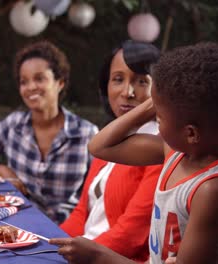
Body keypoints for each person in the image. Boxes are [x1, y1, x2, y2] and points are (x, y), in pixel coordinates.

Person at [51, 42, 218, 264]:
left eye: (160, 117)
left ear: (191, 134)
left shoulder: (211, 189)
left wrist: (98, 255)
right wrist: (154, 102)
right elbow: (99, 146)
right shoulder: (175, 153)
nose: (155, 119)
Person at [0, 41, 98, 223]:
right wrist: (2, 170)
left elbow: (98, 199)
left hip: (68, 232)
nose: (30, 87)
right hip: (18, 228)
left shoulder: (86, 134)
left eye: (39, 78)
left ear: (60, 83)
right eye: (24, 81)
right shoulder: (14, 125)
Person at [60, 40, 163, 261]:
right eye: (118, 79)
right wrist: (49, 244)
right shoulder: (111, 138)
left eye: (141, 81)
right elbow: (81, 214)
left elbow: (131, 235)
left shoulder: (160, 147)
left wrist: (68, 258)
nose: (128, 92)